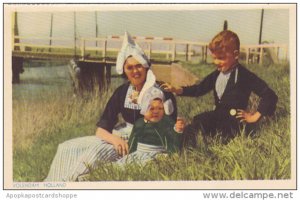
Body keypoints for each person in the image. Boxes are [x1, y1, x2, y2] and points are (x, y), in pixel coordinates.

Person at [44, 32, 177, 182]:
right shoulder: (122, 92)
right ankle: (52, 186)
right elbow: (101, 130)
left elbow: (169, 129)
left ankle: (68, 185)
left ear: (146, 67)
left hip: (144, 143)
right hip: (119, 138)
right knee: (67, 147)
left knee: (92, 155)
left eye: (138, 66)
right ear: (124, 70)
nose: (135, 71)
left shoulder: (161, 92)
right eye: (130, 68)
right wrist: (115, 140)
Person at [161, 30, 278, 146]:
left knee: (220, 135)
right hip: (217, 116)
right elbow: (199, 89)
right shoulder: (217, 74)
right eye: (214, 58)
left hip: (234, 122)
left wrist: (254, 117)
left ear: (236, 54)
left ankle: (203, 144)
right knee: (198, 120)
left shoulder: (245, 75)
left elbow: (270, 95)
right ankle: (177, 142)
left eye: (221, 58)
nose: (216, 62)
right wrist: (178, 90)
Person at [116, 86, 185, 166]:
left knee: (154, 164)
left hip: (159, 153)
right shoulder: (139, 123)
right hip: (140, 152)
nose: (156, 112)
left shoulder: (166, 123)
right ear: (144, 110)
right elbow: (133, 141)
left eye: (160, 108)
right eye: (151, 109)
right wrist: (129, 152)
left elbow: (172, 141)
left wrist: (178, 131)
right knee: (125, 164)